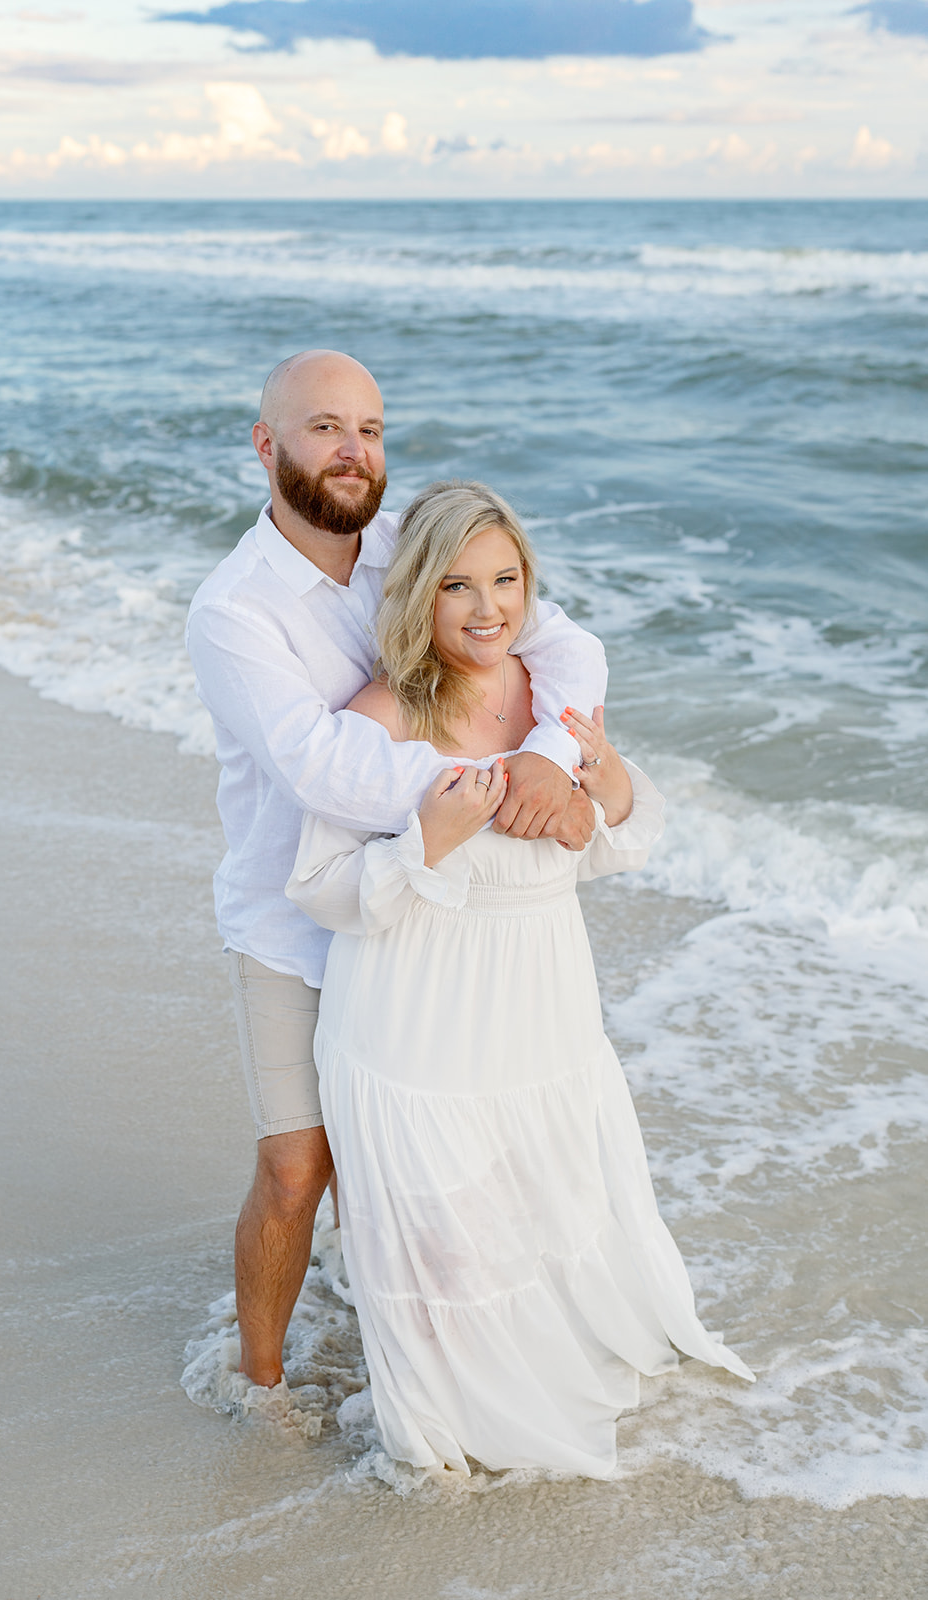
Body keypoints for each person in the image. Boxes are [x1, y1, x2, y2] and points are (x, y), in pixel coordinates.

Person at [286, 480, 753, 1477]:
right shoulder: (377, 717)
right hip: (413, 1022)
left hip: (538, 1010)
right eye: (456, 585)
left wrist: (596, 794)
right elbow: (318, 888)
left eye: (505, 580)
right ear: (418, 594)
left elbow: (615, 836)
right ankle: (459, 1428)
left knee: (539, 1212)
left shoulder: (549, 701)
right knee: (446, 1246)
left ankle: (537, 1375)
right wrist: (424, 840)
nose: (486, 606)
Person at [186, 351, 608, 1391]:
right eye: (325, 427)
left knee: (423, 1160)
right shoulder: (234, 610)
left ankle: (425, 1365)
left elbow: (564, 646)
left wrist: (554, 758)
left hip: (425, 911)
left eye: (369, 430)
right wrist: (496, 783)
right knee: (297, 1170)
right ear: (265, 445)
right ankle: (260, 1381)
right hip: (296, 916)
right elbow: (321, 767)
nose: (352, 451)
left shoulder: (409, 549)